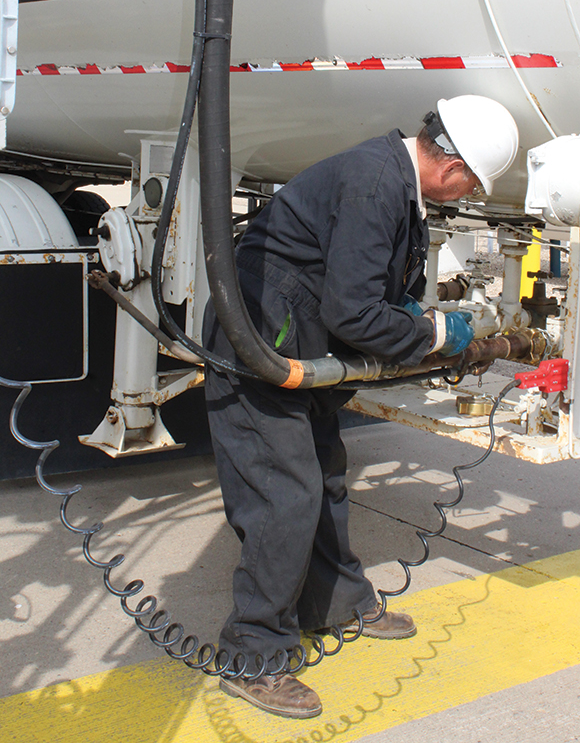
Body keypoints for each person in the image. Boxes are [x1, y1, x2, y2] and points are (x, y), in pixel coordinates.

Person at [203, 94, 519, 720]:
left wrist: (418, 325)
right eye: (473, 186)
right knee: (282, 494)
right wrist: (436, 336)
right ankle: (252, 654)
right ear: (454, 169)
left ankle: (336, 602)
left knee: (322, 475)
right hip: (263, 337)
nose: (466, 195)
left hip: (297, 339)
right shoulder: (377, 186)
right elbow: (355, 311)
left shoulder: (394, 183)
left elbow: (366, 294)